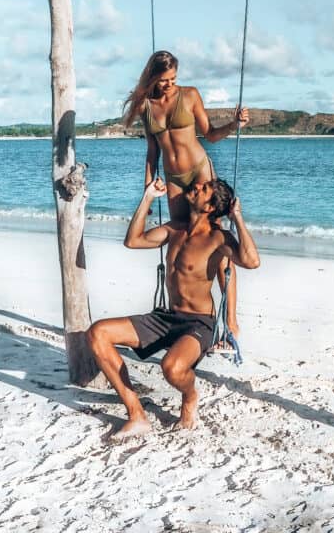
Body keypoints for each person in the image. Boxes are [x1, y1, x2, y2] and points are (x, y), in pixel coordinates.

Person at [87, 175, 260, 437]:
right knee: (98, 333)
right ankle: (137, 414)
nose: (197, 186)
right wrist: (147, 197)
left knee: (172, 368)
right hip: (166, 318)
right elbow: (133, 241)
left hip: (199, 323)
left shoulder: (218, 239)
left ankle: (190, 396)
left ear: (210, 207)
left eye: (205, 189)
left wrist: (237, 218)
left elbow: (251, 261)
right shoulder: (174, 230)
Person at [123, 50, 249, 332]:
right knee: (181, 235)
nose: (169, 84)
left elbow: (211, 135)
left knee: (215, 240)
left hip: (200, 171)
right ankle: (186, 310)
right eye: (164, 79)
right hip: (174, 179)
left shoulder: (190, 95)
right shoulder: (146, 105)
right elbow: (152, 149)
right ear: (153, 77)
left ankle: (230, 319)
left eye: (173, 79)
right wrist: (148, 185)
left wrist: (234, 124)